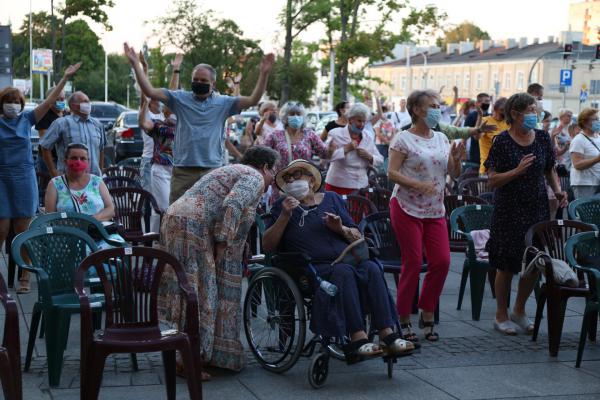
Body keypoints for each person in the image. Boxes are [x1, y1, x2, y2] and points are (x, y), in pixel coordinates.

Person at [263, 159, 414, 360]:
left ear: (311, 178)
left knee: (371, 267)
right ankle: (357, 337)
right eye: (288, 178)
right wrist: (284, 216)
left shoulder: (332, 199)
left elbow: (357, 236)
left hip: (348, 259)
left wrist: (339, 228)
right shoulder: (282, 206)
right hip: (311, 269)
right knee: (344, 272)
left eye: (297, 175)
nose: (292, 180)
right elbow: (268, 246)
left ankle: (388, 335)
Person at [157, 146, 279, 374]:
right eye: (273, 171)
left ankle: (191, 355)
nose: (273, 178)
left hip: (181, 221)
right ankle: (189, 361)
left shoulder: (234, 170)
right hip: (192, 226)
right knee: (200, 293)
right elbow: (232, 204)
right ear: (264, 167)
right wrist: (223, 241)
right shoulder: (254, 177)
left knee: (191, 292)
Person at [123, 43, 275, 204]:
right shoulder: (180, 99)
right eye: (195, 80)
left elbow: (253, 99)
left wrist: (264, 74)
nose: (198, 82)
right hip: (183, 171)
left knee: (209, 217)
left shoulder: (223, 103)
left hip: (212, 170)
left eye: (203, 80)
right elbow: (149, 91)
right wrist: (136, 65)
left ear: (213, 84)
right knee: (176, 217)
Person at [485, 93, 567, 335]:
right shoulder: (502, 141)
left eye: (536, 109)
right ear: (515, 113)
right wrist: (517, 171)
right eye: (530, 110)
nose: (535, 114)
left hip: (537, 207)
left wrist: (558, 190)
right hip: (509, 210)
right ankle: (501, 314)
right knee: (507, 263)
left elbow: (549, 168)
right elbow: (492, 180)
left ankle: (519, 310)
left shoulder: (542, 138)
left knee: (535, 260)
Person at [387, 89, 464, 342]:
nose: (437, 109)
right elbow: (392, 173)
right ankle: (403, 318)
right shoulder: (402, 139)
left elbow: (454, 173)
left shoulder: (441, 138)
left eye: (438, 105)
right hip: (406, 206)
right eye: (432, 105)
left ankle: (427, 310)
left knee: (442, 261)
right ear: (417, 110)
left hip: (435, 209)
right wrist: (418, 185)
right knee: (411, 262)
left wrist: (457, 160)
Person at [0, 62, 82, 294]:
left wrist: (65, 77)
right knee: (2, 229)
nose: (13, 105)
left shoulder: (27, 119)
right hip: (2, 178)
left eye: (17, 102)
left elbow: (48, 102)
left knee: (23, 228)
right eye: (9, 101)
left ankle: (26, 275)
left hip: (24, 179)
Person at [44, 143, 118, 248]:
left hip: (99, 235)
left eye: (83, 158)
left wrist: (91, 220)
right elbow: (49, 217)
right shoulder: (55, 184)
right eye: (74, 158)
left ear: (88, 162)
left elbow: (110, 210)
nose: (78, 162)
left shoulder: (97, 181)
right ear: (65, 161)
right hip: (69, 239)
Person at [40, 90, 106, 176]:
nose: (88, 104)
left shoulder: (97, 124)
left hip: (93, 181)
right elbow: (45, 146)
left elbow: (101, 149)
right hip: (68, 179)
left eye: (88, 101)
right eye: (85, 102)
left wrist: (100, 171)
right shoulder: (61, 123)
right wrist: (53, 172)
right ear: (73, 106)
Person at [324, 103, 383, 195]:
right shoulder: (335, 134)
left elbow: (380, 160)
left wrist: (370, 157)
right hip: (338, 185)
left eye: (364, 121)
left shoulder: (368, 136)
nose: (362, 124)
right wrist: (345, 149)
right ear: (350, 120)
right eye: (359, 121)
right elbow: (325, 158)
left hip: (361, 186)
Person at [138, 96, 176, 233]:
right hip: (161, 170)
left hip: (180, 171)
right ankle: (155, 240)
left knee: (174, 209)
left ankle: (157, 239)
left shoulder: (185, 125)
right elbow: (143, 123)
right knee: (164, 208)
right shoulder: (158, 125)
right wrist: (144, 104)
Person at [263, 101, 330, 177]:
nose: (296, 117)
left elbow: (324, 153)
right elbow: (263, 156)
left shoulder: (309, 134)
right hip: (281, 183)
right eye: (292, 114)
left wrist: (331, 147)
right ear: (285, 117)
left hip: (304, 183)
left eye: (298, 114)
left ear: (303, 117)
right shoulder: (275, 135)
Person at [569, 108, 600, 199]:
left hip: (597, 182)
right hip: (584, 184)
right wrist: (596, 159)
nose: (598, 121)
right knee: (585, 212)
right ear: (585, 123)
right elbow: (577, 164)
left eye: (598, 119)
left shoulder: (598, 137)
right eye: (595, 119)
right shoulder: (578, 140)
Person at [35, 86, 66, 175]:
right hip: (49, 159)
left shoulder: (65, 113)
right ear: (50, 100)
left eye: (62, 99)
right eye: (57, 99)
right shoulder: (44, 115)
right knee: (47, 186)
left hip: (62, 158)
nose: (61, 101)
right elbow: (45, 141)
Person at [478, 97, 509, 174]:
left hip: (505, 169)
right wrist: (479, 129)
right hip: (487, 170)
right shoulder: (485, 121)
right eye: (500, 111)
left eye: (504, 113)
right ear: (495, 109)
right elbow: (477, 136)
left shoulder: (509, 123)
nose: (500, 116)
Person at [464, 93, 492, 166]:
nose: (487, 103)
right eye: (485, 101)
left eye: (488, 101)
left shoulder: (490, 116)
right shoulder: (471, 116)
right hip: (475, 154)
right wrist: (463, 153)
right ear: (478, 103)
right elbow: (464, 135)